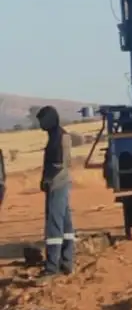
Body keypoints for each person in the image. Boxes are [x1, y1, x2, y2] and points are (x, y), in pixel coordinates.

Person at [36, 106, 74, 276]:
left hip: (57, 185)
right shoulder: (60, 134)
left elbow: (57, 163)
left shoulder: (57, 137)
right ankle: (66, 262)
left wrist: (47, 180)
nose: (40, 126)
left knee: (54, 226)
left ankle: (51, 268)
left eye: (42, 121)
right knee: (66, 225)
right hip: (63, 183)